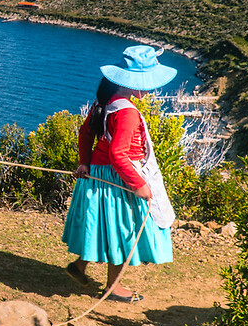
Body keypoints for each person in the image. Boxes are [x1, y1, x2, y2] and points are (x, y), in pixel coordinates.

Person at [62, 44, 177, 303]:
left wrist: (85, 162)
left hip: (99, 177)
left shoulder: (106, 102)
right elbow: (118, 154)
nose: (149, 89)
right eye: (147, 83)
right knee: (122, 230)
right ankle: (113, 287)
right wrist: (138, 184)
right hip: (118, 179)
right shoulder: (127, 113)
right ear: (135, 83)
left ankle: (79, 267)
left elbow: (86, 133)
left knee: (103, 228)